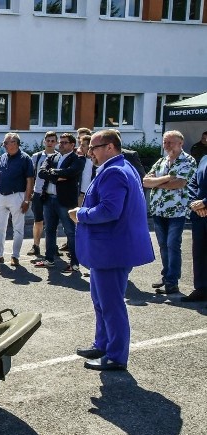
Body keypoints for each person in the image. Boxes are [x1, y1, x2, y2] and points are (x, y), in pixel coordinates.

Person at [70, 129, 154, 371]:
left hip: (111, 250)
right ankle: (103, 344)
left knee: (111, 304)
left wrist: (80, 214)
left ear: (110, 147)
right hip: (108, 250)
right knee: (100, 301)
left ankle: (116, 355)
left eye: (94, 148)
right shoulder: (118, 168)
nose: (89, 153)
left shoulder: (115, 171)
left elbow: (109, 210)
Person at [143, 130, 198, 295]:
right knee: (163, 245)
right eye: (165, 142)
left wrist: (157, 182)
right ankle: (166, 276)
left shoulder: (188, 161)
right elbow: (146, 181)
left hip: (177, 211)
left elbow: (179, 183)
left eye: (170, 143)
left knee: (173, 245)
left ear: (180, 143)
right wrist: (166, 178)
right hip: (159, 210)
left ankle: (172, 281)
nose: (166, 146)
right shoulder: (161, 161)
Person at [34, 133, 85, 273]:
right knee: (49, 230)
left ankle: (74, 262)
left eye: (64, 142)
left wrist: (53, 173)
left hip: (65, 201)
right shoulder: (52, 157)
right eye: (60, 142)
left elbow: (71, 172)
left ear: (72, 145)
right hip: (49, 198)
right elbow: (41, 173)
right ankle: (49, 259)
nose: (60, 145)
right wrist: (58, 177)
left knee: (70, 231)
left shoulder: (78, 159)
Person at [0, 133, 35, 267]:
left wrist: (27, 200)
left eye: (6, 143)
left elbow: (30, 180)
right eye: (4, 143)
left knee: (18, 228)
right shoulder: (2, 157)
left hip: (17, 196)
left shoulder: (25, 159)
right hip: (1, 196)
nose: (4, 145)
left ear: (15, 143)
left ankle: (15, 256)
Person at [27, 131, 58, 257]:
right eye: (48, 140)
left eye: (52, 141)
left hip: (53, 194)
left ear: (56, 142)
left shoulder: (59, 157)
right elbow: (30, 176)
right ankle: (36, 245)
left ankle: (52, 246)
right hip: (38, 192)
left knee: (53, 222)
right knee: (38, 220)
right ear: (44, 141)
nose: (50, 143)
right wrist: (28, 194)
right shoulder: (36, 156)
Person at [182, 154, 207, 302]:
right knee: (199, 254)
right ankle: (201, 288)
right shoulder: (204, 158)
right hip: (200, 215)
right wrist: (194, 202)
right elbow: (193, 182)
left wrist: (204, 202)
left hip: (203, 207)